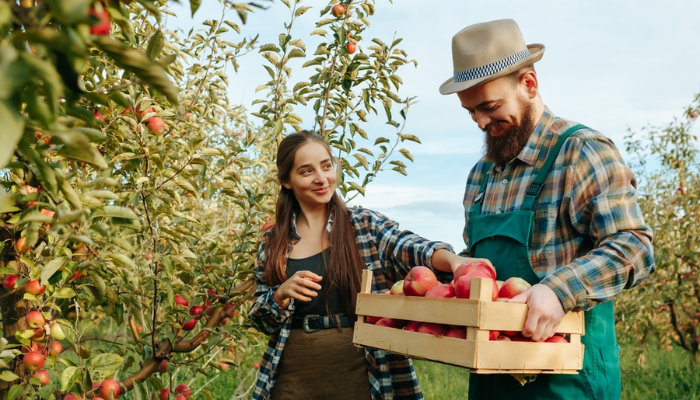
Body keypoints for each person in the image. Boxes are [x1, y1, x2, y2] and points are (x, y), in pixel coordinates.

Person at [439, 19, 655, 399]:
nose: (480, 122)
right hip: (493, 377)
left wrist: (558, 290)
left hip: (566, 377)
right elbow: (481, 263)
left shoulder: (582, 152)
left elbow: (634, 245)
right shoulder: (481, 175)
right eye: (470, 112)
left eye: (489, 107)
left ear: (529, 85)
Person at [248, 130, 480, 400]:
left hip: (363, 372)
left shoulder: (364, 226)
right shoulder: (273, 241)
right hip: (294, 376)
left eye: (326, 166)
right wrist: (281, 294)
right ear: (287, 181)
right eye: (306, 171)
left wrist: (454, 261)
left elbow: (409, 248)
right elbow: (260, 318)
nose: (322, 178)